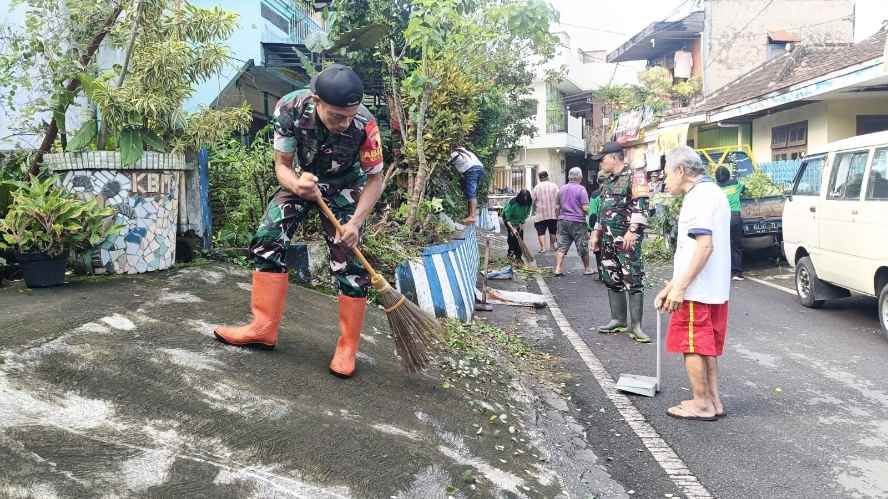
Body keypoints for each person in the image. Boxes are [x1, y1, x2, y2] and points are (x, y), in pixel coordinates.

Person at [214, 64, 385, 379]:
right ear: (316, 101)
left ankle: (347, 347)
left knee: (348, 259)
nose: (345, 123)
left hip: (345, 188)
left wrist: (355, 223)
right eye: (337, 116)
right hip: (302, 181)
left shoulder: (365, 123)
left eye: (350, 116)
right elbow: (282, 165)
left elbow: (375, 179)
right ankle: (263, 328)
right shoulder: (290, 108)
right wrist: (296, 185)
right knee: (267, 238)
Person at [656, 146, 731, 421]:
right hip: (713, 288)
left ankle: (701, 403)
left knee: (691, 344)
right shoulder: (715, 193)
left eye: (667, 174)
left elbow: (704, 247)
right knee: (705, 346)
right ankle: (713, 401)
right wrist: (671, 287)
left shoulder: (698, 197)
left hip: (696, 290)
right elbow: (693, 250)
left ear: (680, 171)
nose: (665, 181)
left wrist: (679, 288)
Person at [590, 142, 651, 343]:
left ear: (614, 157)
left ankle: (636, 326)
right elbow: (602, 209)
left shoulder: (635, 176)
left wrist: (633, 231)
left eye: (602, 159)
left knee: (633, 279)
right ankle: (618, 319)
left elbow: (641, 205)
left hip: (626, 240)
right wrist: (596, 233)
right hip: (607, 239)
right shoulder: (607, 181)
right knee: (611, 277)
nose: (600, 163)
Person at [553, 167, 592, 276]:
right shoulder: (581, 189)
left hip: (563, 221)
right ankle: (587, 268)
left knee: (561, 246)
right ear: (580, 177)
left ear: (569, 177)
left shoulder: (561, 189)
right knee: (582, 246)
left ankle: (558, 269)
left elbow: (557, 207)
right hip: (578, 222)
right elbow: (585, 208)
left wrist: (558, 218)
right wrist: (591, 215)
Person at [715, 166, 745, 280]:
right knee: (736, 245)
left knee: (722, 245)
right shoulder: (736, 184)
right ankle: (737, 273)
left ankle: (722, 272)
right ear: (728, 175)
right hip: (735, 216)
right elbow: (744, 189)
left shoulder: (715, 188)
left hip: (721, 218)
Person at [448, 146, 485, 224]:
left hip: (471, 170)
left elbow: (446, 163)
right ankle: (469, 215)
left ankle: (472, 216)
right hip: (480, 169)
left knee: (471, 194)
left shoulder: (455, 153)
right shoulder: (467, 152)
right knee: (470, 193)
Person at [531, 171, 559, 253]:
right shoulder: (554, 186)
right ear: (547, 177)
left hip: (540, 214)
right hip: (553, 214)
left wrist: (533, 209)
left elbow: (532, 200)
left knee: (541, 232)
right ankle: (552, 246)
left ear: (540, 178)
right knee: (553, 231)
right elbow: (559, 197)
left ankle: (543, 248)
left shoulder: (537, 187)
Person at [502, 189, 532, 263]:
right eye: (523, 199)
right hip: (509, 220)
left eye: (526, 199)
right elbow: (507, 217)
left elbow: (526, 214)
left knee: (520, 237)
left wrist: (521, 224)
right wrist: (512, 229)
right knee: (512, 237)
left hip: (519, 221)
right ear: (520, 198)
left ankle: (518, 256)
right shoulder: (513, 203)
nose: (525, 201)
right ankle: (510, 253)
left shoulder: (528, 202)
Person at [586, 184, 602, 277]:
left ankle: (601, 274)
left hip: (598, 227)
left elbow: (592, 214)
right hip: (614, 227)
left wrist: (590, 229)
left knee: (598, 250)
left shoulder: (595, 195)